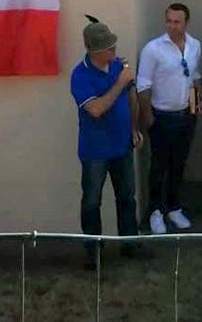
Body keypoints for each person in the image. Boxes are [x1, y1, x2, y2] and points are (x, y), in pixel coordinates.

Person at [70, 17, 144, 269]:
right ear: (93, 51)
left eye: (113, 45)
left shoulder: (118, 66)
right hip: (95, 151)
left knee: (127, 197)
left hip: (122, 144)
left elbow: (131, 96)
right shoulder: (80, 75)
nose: (114, 49)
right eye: (108, 47)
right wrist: (120, 82)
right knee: (92, 201)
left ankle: (130, 244)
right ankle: (94, 252)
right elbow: (96, 109)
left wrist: (133, 128)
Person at [137, 3, 202, 234]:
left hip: (186, 115)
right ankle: (155, 211)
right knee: (159, 166)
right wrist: (147, 116)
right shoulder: (153, 49)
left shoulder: (194, 45)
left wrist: (200, 101)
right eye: (169, 21)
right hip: (162, 116)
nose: (172, 26)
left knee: (179, 164)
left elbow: (194, 75)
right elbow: (143, 84)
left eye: (177, 22)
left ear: (186, 23)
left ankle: (174, 207)